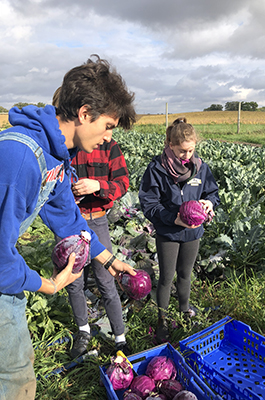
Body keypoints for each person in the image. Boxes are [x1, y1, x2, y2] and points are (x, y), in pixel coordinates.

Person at [0, 55, 136, 400]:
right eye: (107, 125)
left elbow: (69, 221)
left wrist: (109, 260)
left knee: (16, 370)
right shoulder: (19, 157)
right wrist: (45, 284)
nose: (109, 137)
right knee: (13, 377)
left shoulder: (56, 155)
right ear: (85, 113)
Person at [52, 86, 131, 357]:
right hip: (70, 221)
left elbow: (122, 184)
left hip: (97, 220)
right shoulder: (64, 148)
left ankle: (120, 336)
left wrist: (97, 184)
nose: (106, 135)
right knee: (74, 280)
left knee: (105, 278)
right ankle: (83, 331)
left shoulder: (109, 146)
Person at [138, 117, 220, 344]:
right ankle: (162, 319)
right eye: (182, 151)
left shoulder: (201, 168)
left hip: (193, 232)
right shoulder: (156, 169)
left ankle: (185, 310)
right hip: (168, 232)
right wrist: (173, 218)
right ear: (170, 146)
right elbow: (149, 203)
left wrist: (209, 203)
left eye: (191, 151)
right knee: (166, 277)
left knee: (186, 274)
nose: (187, 156)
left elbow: (212, 193)